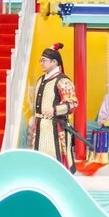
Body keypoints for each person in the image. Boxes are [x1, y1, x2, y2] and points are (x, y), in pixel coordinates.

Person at [28, 42, 78, 174]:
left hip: (55, 127)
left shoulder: (63, 81)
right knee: (38, 158)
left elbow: (73, 103)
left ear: (54, 62)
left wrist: (55, 110)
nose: (41, 63)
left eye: (44, 60)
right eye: (40, 60)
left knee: (55, 160)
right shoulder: (41, 79)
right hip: (40, 126)